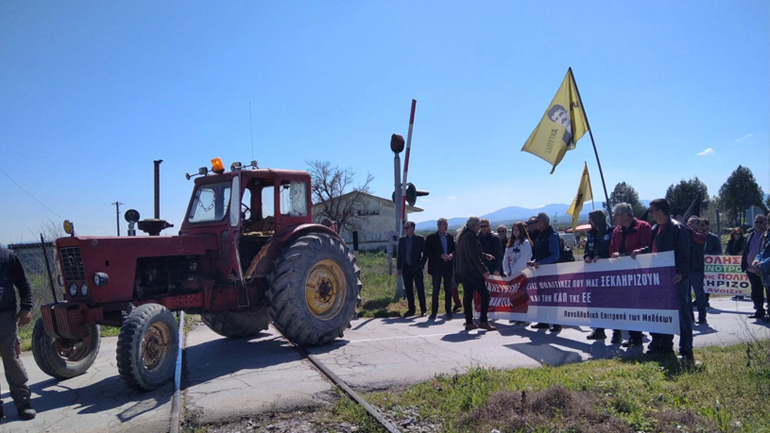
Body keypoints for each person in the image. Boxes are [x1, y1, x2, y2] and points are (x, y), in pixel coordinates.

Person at [631, 199, 694, 361]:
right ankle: (665, 345)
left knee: (682, 314)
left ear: (660, 211)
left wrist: (681, 272)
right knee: (663, 313)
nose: (650, 213)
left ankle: (686, 350)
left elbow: (685, 252)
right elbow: (653, 249)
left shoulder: (678, 228)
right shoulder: (655, 229)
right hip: (659, 277)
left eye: (652, 210)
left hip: (675, 277)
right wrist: (641, 251)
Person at [609, 202, 652, 348]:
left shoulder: (643, 227)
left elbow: (648, 247)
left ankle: (645, 337)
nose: (614, 218)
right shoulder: (617, 231)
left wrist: (625, 254)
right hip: (622, 274)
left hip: (640, 274)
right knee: (626, 305)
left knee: (640, 306)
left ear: (625, 215)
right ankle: (633, 337)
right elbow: (612, 249)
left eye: (616, 215)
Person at [0, 246, 36, 420]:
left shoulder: (7, 256)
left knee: (11, 357)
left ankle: (23, 402)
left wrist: (26, 308)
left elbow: (23, 282)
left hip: (5, 315)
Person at [583, 210, 621, 343]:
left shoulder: (612, 232)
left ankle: (617, 332)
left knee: (613, 303)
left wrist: (602, 257)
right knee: (596, 302)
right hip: (594, 274)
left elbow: (614, 250)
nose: (589, 222)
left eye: (591, 219)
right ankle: (599, 330)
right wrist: (587, 256)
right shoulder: (591, 234)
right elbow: (588, 249)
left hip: (610, 273)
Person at [456, 216, 495, 331]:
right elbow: (474, 256)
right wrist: (484, 270)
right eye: (478, 225)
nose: (479, 228)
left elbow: (472, 252)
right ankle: (483, 320)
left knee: (468, 296)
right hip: (473, 272)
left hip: (465, 271)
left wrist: (484, 255)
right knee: (485, 294)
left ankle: (469, 322)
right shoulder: (470, 236)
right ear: (474, 225)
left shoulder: (464, 236)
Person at [527, 213, 562, 332]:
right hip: (541, 272)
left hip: (551, 271)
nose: (535, 224)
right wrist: (534, 261)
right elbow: (540, 254)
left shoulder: (552, 235)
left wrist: (541, 262)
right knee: (541, 296)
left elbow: (555, 255)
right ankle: (543, 321)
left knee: (552, 297)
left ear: (542, 222)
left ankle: (556, 323)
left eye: (536, 222)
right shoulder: (540, 235)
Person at [425, 218, 455, 320]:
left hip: (447, 267)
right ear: (439, 225)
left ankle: (448, 311)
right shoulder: (431, 237)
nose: (446, 226)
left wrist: (451, 255)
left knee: (448, 290)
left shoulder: (450, 237)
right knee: (436, 290)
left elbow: (454, 250)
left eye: (446, 224)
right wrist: (440, 255)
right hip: (436, 267)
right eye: (444, 224)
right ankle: (434, 312)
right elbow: (428, 251)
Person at [397, 221, 427, 316]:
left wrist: (421, 264)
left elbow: (425, 253)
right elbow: (400, 255)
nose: (406, 230)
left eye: (407, 228)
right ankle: (411, 309)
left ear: (413, 228)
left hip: (416, 268)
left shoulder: (419, 239)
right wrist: (399, 268)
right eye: (405, 228)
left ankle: (423, 309)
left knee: (420, 289)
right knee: (409, 290)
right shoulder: (402, 241)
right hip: (406, 268)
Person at [742, 215, 768, 319]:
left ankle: (767, 311)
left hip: (764, 268)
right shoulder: (750, 235)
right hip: (751, 268)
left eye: (761, 222)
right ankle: (759, 310)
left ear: (765, 222)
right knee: (755, 291)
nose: (758, 224)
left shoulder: (767, 235)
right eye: (756, 221)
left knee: (767, 290)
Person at [686, 216, 708, 324]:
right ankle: (690, 317)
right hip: (686, 269)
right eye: (688, 222)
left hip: (697, 269)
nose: (689, 224)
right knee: (686, 295)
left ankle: (702, 316)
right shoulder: (685, 235)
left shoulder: (701, 236)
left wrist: (683, 224)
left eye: (692, 222)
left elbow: (694, 236)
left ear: (698, 225)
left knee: (699, 294)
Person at [751, 228, 770, 322]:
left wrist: (761, 266)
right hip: (767, 273)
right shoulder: (766, 235)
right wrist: (757, 259)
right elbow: (764, 252)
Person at [726, 227, 746, 300]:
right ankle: (736, 292)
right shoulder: (730, 241)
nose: (738, 235)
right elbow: (727, 250)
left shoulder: (744, 241)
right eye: (736, 234)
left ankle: (741, 293)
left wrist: (742, 252)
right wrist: (728, 253)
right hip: (732, 262)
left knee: (741, 277)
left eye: (739, 234)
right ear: (733, 234)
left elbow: (745, 249)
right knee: (734, 278)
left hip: (741, 262)